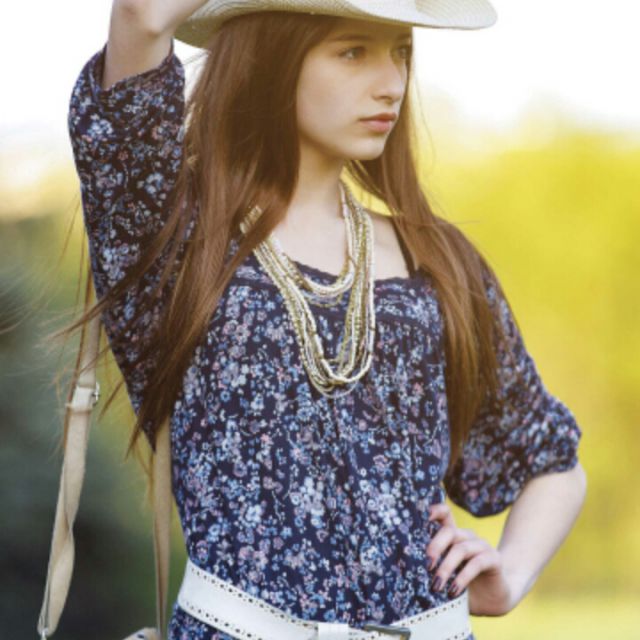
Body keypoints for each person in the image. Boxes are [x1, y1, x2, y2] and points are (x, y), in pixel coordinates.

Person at [63, 1, 586, 638]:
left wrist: (511, 574)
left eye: (399, 52)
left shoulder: (438, 260)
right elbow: (142, 16)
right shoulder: (174, 245)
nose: (391, 83)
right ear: (271, 57)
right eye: (352, 51)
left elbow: (551, 461)